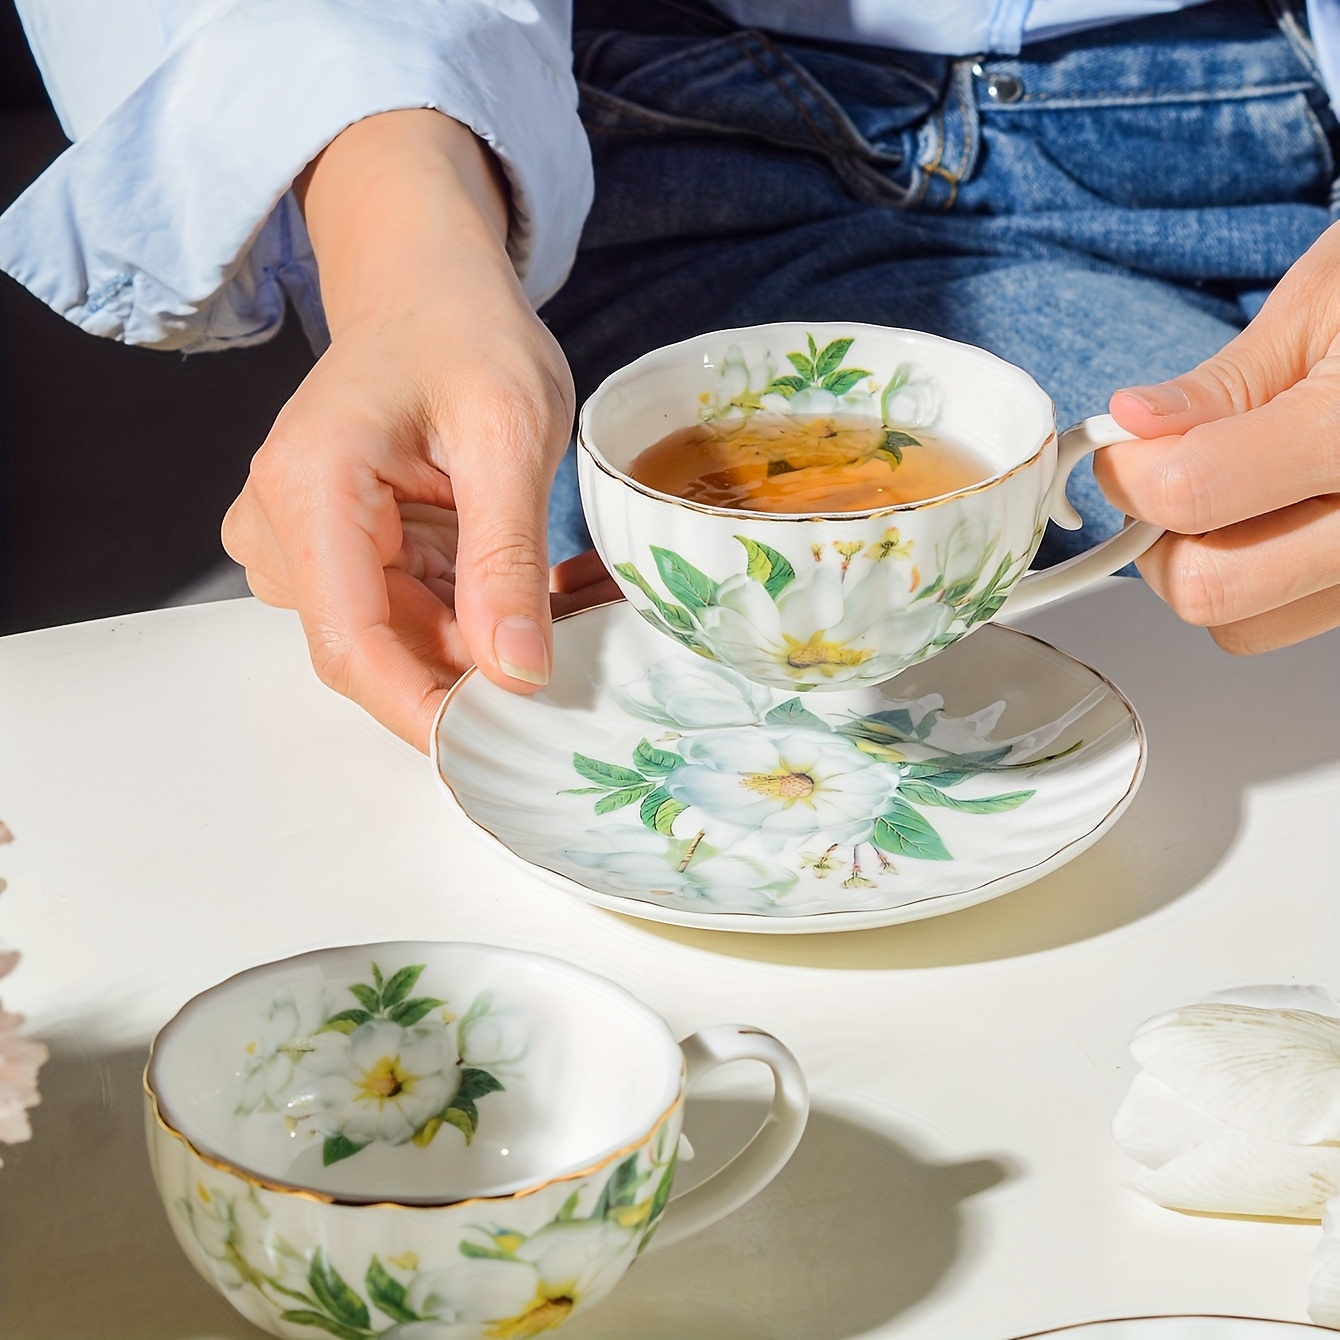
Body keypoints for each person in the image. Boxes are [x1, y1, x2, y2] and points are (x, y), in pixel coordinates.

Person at [3, 0, 1338, 750]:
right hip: (607, 127)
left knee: (1226, 716)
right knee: (633, 744)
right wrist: (408, 250)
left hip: (1277, 142)